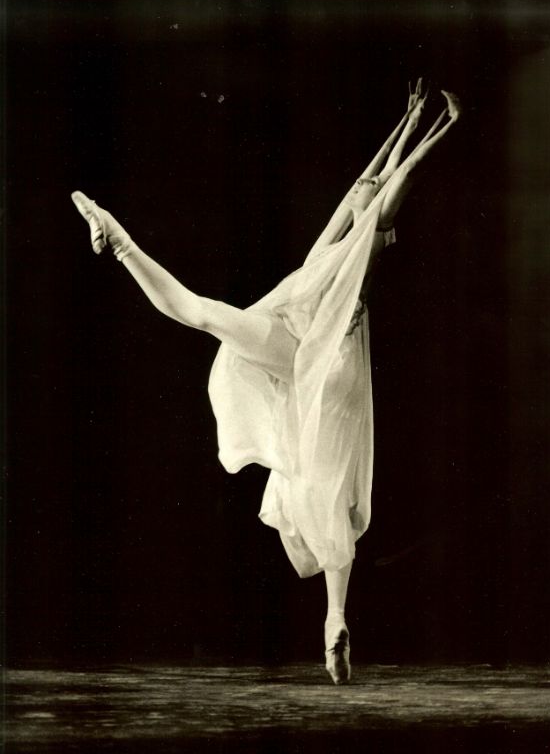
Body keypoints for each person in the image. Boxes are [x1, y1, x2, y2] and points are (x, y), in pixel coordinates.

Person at [72, 80, 461, 684]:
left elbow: (382, 188)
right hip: (318, 357)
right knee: (323, 488)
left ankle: (120, 242)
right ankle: (334, 617)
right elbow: (376, 181)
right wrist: (416, 121)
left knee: (203, 314)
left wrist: (434, 127)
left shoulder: (351, 245)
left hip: (309, 351)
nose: (362, 205)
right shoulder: (348, 244)